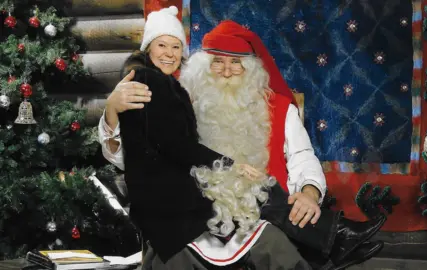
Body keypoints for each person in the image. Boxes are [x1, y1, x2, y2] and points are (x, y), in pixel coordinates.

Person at [99, 16, 385, 269]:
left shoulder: (279, 108)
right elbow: (131, 157)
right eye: (217, 62)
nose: (225, 71)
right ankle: (339, 238)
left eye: (235, 63)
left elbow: (302, 157)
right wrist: (112, 111)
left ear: (250, 69)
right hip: (195, 218)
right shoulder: (181, 99)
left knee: (278, 248)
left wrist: (309, 193)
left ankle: (339, 238)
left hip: (259, 220)